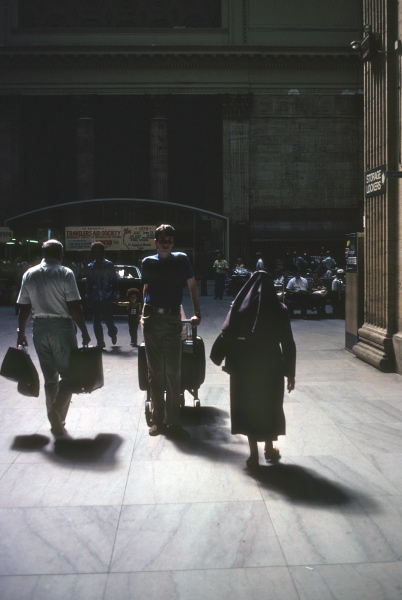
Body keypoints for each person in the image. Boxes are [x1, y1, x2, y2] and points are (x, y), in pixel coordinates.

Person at [210, 271, 296, 469]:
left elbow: (226, 333)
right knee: (269, 407)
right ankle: (269, 446)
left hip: (243, 369)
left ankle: (253, 456)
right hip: (271, 367)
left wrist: (217, 356)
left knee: (247, 408)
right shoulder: (279, 309)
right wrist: (290, 372)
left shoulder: (239, 309)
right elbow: (288, 343)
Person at [16, 239, 91, 436]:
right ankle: (57, 412)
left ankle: (54, 419)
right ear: (60, 254)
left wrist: (21, 332)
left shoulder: (29, 274)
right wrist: (83, 329)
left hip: (39, 327)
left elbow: (24, 308)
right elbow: (74, 306)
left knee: (50, 378)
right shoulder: (65, 273)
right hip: (62, 327)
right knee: (68, 375)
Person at [141, 224, 201, 439]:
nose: (166, 242)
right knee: (155, 371)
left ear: (173, 243)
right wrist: (141, 315)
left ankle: (173, 420)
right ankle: (158, 421)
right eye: (162, 239)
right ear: (155, 242)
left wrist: (196, 312)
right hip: (151, 318)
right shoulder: (147, 262)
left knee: (173, 371)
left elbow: (192, 286)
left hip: (172, 318)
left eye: (169, 239)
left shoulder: (181, 259)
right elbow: (145, 289)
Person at [85, 241, 119, 349]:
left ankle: (113, 333)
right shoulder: (90, 266)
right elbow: (88, 282)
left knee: (108, 319)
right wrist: (87, 296)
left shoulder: (109, 265)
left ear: (102, 252)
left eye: (99, 251)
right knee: (96, 320)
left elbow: (114, 280)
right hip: (95, 297)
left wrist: (115, 294)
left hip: (107, 296)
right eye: (95, 251)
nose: (97, 253)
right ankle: (100, 342)